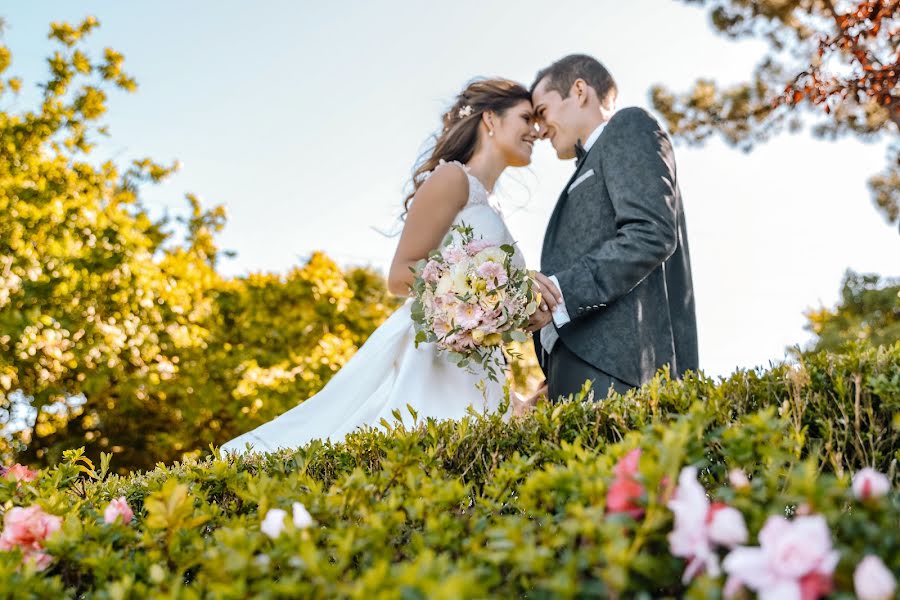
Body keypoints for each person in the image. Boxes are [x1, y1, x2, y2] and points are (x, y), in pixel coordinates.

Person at [221, 78, 556, 455]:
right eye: (526, 117)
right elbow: (400, 274)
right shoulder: (452, 178)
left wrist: (516, 306)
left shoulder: (490, 204)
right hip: (433, 355)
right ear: (490, 119)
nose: (537, 130)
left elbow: (482, 305)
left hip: (474, 357)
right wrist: (487, 293)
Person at [527, 54, 699, 403]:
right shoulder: (589, 162)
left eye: (542, 112)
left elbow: (650, 232)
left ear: (579, 91)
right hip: (582, 377)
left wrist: (556, 293)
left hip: (622, 374)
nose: (539, 129)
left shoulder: (629, 126)